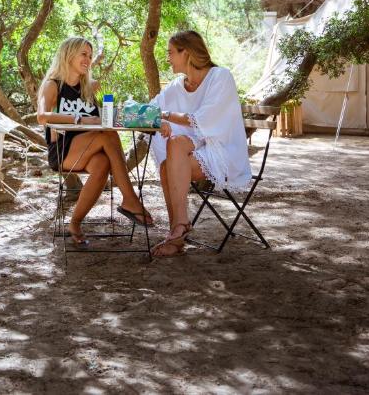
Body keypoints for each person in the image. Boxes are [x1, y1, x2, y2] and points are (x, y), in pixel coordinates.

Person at [37, 36, 153, 246]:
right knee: (107, 136)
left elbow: (102, 118)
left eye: (90, 56)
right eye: (83, 54)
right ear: (68, 54)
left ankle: (75, 223)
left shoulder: (89, 87)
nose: (88, 59)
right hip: (63, 151)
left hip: (90, 148)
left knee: (102, 163)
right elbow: (42, 116)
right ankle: (130, 199)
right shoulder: (53, 85)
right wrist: (81, 118)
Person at [148, 30, 250, 257]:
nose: (168, 58)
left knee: (170, 162)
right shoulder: (178, 85)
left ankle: (177, 233)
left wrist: (165, 115)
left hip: (222, 149)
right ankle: (179, 227)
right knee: (172, 150)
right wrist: (157, 118)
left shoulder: (220, 77)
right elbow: (152, 108)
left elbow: (203, 119)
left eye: (171, 52)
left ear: (187, 53)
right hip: (193, 149)